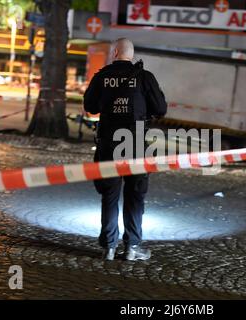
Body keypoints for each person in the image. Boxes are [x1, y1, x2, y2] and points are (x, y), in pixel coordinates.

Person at [83, 38, 167, 261]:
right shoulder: (144, 77)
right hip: (137, 143)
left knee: (110, 195)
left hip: (108, 143)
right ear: (131, 54)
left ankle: (109, 247)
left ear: (115, 53)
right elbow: (161, 108)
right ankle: (132, 247)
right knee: (135, 196)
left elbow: (89, 107)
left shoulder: (102, 76)